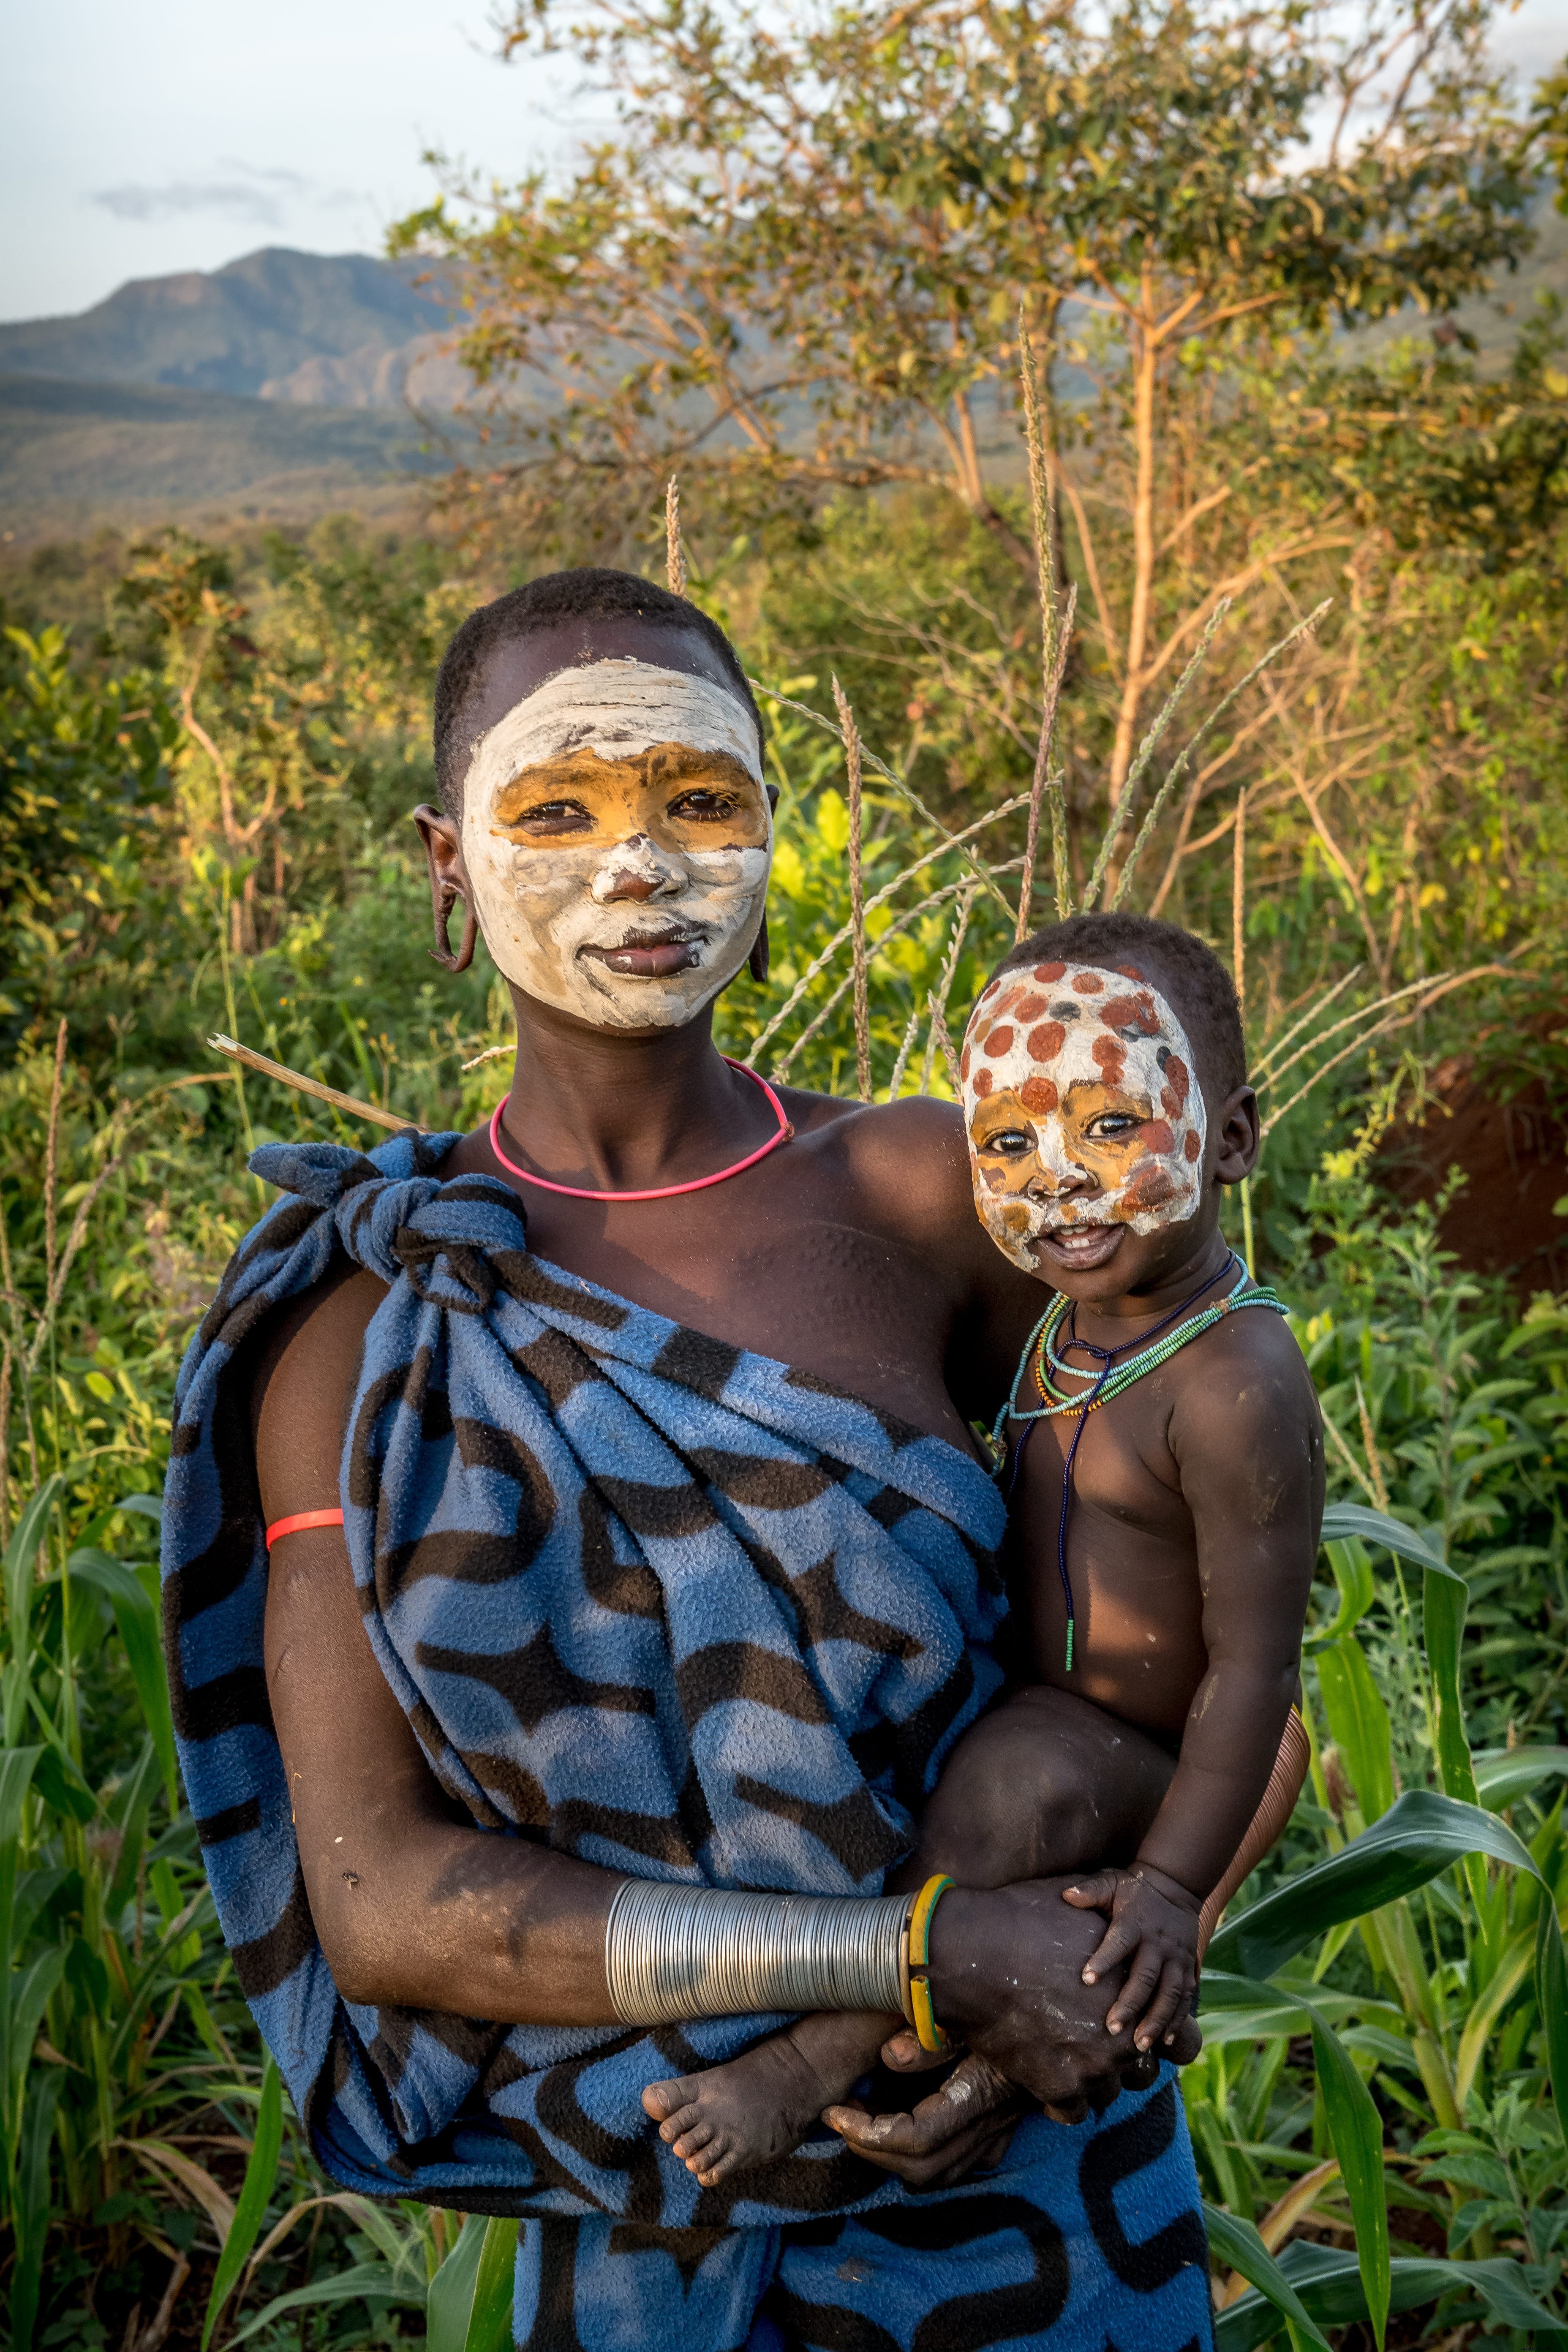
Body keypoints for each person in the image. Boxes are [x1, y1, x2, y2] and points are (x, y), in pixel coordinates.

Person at [162, 573, 1216, 2352]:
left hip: (1044, 2159)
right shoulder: (376, 1319)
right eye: (553, 809)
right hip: (659, 2209)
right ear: (444, 861)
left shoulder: (940, 1203)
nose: (636, 866)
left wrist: (1096, 1969)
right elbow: (382, 1907)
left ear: (768, 833)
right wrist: (917, 1963)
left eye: (697, 801)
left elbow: (1170, 1681)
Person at [642, 913, 1323, 2189]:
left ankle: (802, 2064)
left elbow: (1255, 1676)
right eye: (1009, 1143)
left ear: (1229, 1138)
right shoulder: (1058, 1327)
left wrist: (1175, 1891)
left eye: (1112, 1128)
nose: (1056, 1179)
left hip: (1128, 1740)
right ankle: (930, 2030)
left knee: (1009, 1797)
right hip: (1037, 1693)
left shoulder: (1231, 1382)